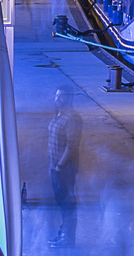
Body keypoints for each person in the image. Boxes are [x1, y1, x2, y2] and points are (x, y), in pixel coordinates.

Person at [48, 88, 82, 248]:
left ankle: (68, 238)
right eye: (56, 96)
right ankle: (63, 233)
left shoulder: (72, 119)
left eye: (61, 97)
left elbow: (72, 145)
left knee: (68, 203)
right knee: (62, 202)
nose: (57, 100)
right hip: (55, 167)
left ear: (69, 99)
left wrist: (60, 166)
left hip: (64, 168)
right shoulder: (59, 115)